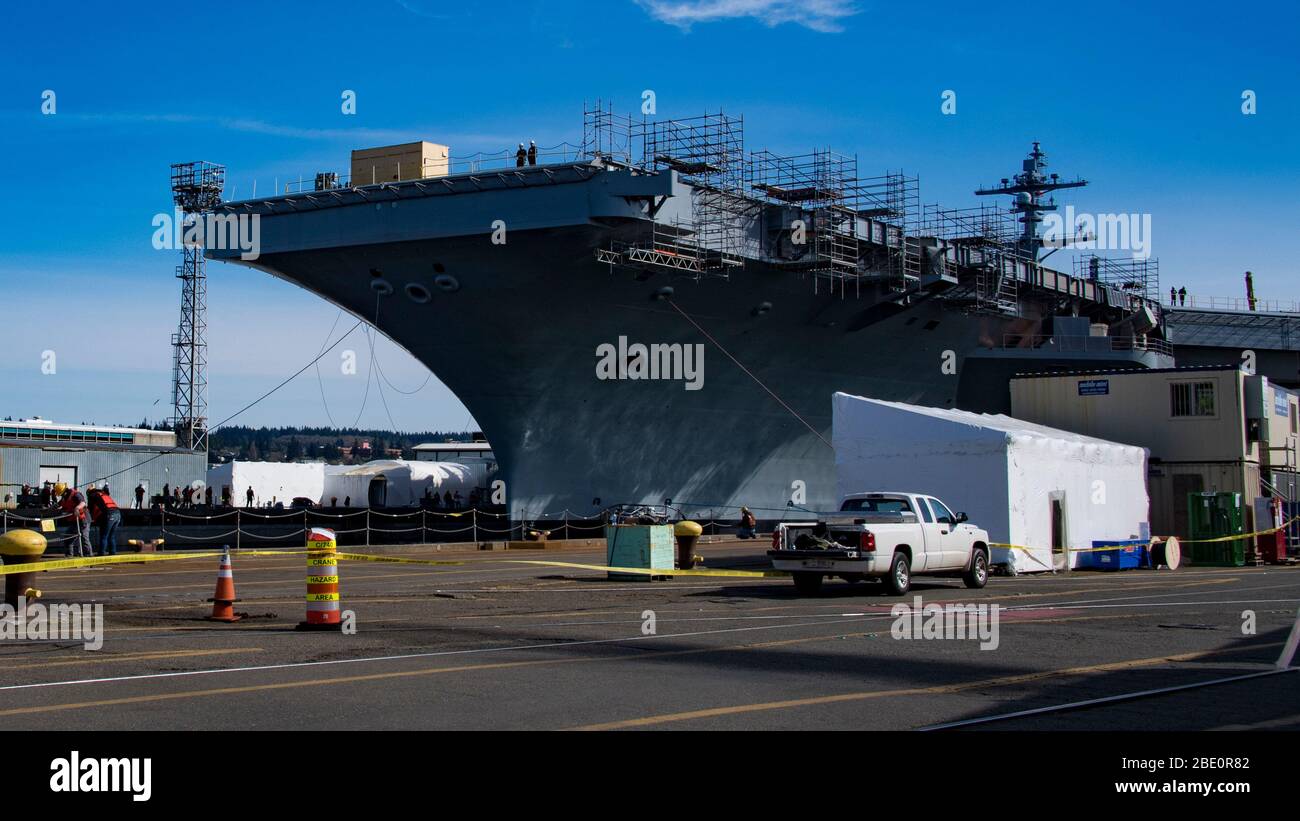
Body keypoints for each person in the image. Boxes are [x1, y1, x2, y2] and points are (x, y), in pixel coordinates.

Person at [59, 485, 92, 558]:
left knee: (84, 537)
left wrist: (77, 508)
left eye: (61, 494)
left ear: (65, 491)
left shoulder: (76, 494)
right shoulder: (64, 498)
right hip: (74, 520)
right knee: (68, 537)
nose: (61, 495)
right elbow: (58, 505)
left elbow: (83, 503)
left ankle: (88, 555)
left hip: (84, 519)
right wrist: (48, 509)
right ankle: (69, 555)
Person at [92, 485, 122, 556]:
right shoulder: (104, 494)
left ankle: (101, 554)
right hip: (118, 514)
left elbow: (91, 509)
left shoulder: (94, 496)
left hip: (110, 515)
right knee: (111, 536)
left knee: (104, 536)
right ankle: (112, 553)